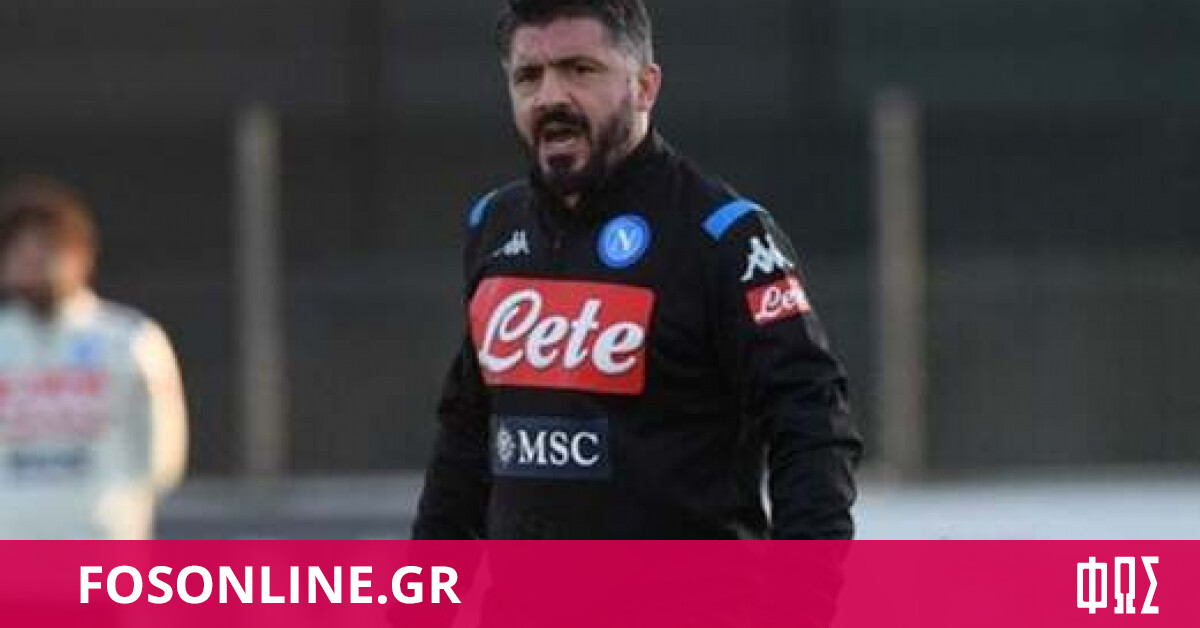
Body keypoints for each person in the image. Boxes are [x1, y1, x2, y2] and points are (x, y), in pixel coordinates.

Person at [413, 0, 861, 539]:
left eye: (580, 69)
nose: (550, 96)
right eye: (528, 76)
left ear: (646, 87)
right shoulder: (494, 222)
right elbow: (466, 438)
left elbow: (811, 420)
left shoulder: (724, 234)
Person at [0, 175, 188, 539]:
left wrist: (118, 507)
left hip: (100, 537)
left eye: (46, 247)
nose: (33, 260)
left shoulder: (128, 339)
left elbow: (162, 455)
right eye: (20, 249)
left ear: (81, 256)